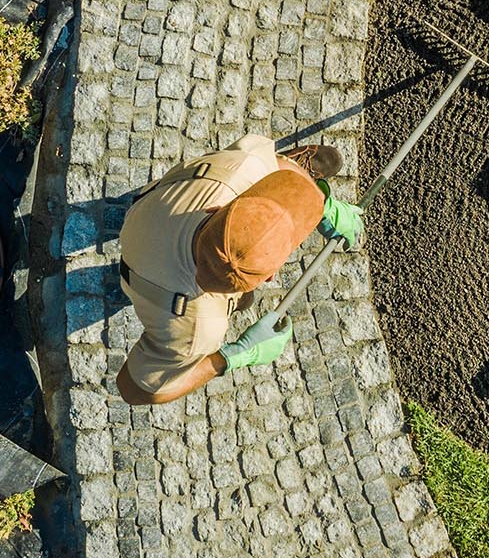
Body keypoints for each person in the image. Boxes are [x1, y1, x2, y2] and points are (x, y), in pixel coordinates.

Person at [112, 135, 363, 405]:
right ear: (269, 276)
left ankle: (238, 295)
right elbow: (132, 390)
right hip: (146, 284)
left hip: (148, 214)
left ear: (216, 209)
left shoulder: (241, 170)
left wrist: (316, 203)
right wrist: (228, 358)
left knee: (272, 168)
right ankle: (237, 298)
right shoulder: (201, 331)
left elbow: (274, 166)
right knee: (243, 301)